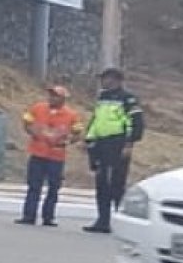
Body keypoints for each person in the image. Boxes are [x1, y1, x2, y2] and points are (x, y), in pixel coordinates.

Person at [83, 67, 145, 234]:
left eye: (106, 78)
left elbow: (135, 123)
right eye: (102, 78)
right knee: (101, 183)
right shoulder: (102, 98)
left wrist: (129, 144)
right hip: (100, 144)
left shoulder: (128, 99)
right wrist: (89, 139)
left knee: (117, 184)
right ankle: (102, 221)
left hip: (117, 144)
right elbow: (97, 120)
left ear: (116, 80)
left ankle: (121, 222)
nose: (103, 82)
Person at [15, 85, 82, 227]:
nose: (52, 98)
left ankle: (48, 217)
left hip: (56, 157)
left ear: (63, 99)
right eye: (51, 95)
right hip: (38, 153)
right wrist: (33, 133)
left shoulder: (71, 115)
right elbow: (27, 121)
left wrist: (68, 141)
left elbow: (78, 132)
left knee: (53, 188)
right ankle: (29, 215)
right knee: (34, 186)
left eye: (55, 96)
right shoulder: (38, 108)